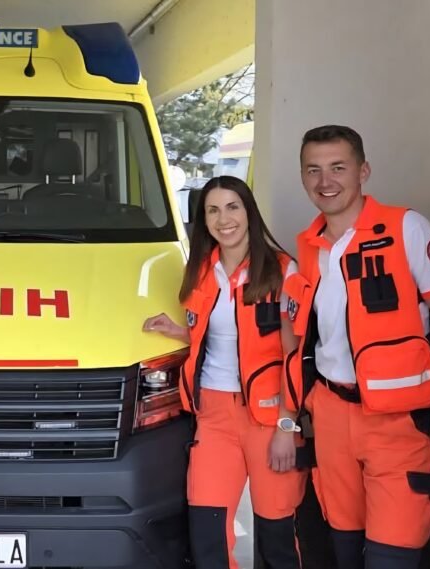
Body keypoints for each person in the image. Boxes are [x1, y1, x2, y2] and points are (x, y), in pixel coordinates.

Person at [284, 125, 430, 569]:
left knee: (393, 553)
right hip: (331, 419)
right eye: (313, 170)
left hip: (398, 423)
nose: (325, 181)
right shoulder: (308, 247)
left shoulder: (406, 228)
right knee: (344, 549)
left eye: (338, 167)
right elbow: (302, 338)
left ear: (363, 171)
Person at [144, 176, 307, 569]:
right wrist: (178, 331)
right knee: (208, 536)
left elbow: (295, 356)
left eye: (232, 207)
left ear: (249, 211)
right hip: (213, 416)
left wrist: (287, 428)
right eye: (213, 210)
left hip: (270, 417)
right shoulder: (201, 271)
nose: (224, 219)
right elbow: (220, 334)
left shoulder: (282, 271)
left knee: (277, 539)